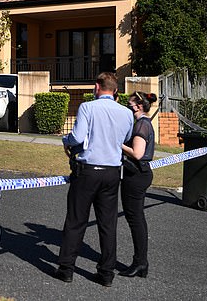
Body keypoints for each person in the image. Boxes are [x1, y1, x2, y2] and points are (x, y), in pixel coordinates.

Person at [55, 72, 133, 287]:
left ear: (97, 87)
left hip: (88, 169)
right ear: (115, 90)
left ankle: (66, 268)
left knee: (76, 220)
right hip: (112, 171)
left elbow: (78, 137)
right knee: (108, 223)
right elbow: (126, 138)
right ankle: (106, 272)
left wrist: (65, 139)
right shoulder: (126, 113)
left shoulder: (88, 107)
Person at [119, 91, 157, 278]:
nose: (128, 106)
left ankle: (140, 262)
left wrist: (117, 144)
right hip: (139, 174)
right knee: (137, 219)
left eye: (130, 104)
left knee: (135, 220)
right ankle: (141, 261)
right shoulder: (144, 123)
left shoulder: (142, 125)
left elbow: (137, 153)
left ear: (139, 106)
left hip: (136, 175)